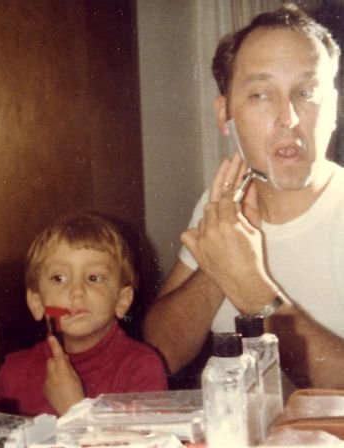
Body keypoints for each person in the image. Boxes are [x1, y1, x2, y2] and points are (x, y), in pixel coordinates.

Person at [143, 3, 344, 390]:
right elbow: (161, 353)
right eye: (261, 95)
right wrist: (219, 266)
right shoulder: (224, 201)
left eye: (306, 92)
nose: (289, 118)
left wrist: (253, 291)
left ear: (333, 109)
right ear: (225, 115)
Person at [0, 212, 167, 416]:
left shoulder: (141, 367)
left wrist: (74, 409)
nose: (77, 291)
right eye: (59, 278)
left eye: (94, 278)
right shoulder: (13, 372)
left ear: (122, 300)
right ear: (37, 303)